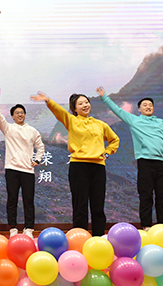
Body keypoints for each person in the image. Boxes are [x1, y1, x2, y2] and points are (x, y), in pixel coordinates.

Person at [31, 91, 119, 237]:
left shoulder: (100, 124)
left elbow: (114, 139)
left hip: (98, 167)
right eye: (80, 103)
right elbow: (59, 112)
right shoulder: (72, 121)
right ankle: (80, 238)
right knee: (80, 205)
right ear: (75, 109)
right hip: (79, 167)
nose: (85, 105)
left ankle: (98, 238)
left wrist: (108, 152)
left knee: (98, 205)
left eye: (86, 102)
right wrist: (48, 100)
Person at [96, 86, 163, 229]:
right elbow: (118, 111)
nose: (148, 107)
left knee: (161, 195)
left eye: (150, 105)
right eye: (144, 105)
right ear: (139, 109)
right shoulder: (134, 120)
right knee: (146, 195)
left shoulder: (161, 122)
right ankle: (146, 225)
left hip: (161, 163)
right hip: (145, 162)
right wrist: (104, 96)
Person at [0, 85, 45, 239]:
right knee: (12, 199)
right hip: (12, 169)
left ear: (25, 115)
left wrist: (37, 159)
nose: (20, 114)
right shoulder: (8, 129)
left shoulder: (32, 131)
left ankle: (29, 228)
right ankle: (13, 228)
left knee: (28, 200)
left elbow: (40, 147)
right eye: (17, 113)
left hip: (28, 170)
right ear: (13, 116)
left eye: (22, 112)